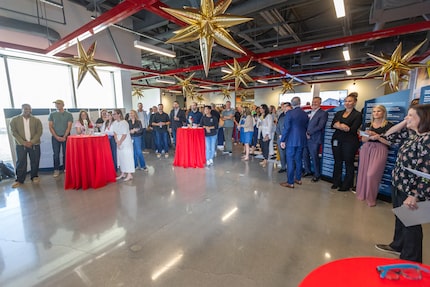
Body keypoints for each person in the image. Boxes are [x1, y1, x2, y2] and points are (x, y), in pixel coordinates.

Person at [375, 104, 430, 263]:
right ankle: (397, 245)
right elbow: (388, 135)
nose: (406, 118)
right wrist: (407, 121)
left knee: (412, 225)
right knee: (401, 218)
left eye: (411, 116)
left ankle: (411, 259)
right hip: (400, 184)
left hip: (414, 191)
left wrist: (415, 195)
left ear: (424, 119)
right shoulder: (413, 135)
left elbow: (426, 171)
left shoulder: (427, 139)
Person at [356, 105, 393, 206]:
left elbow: (391, 142)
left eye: (378, 111)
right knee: (363, 173)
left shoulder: (389, 125)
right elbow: (363, 139)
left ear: (383, 112)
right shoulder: (368, 125)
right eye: (374, 111)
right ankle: (362, 194)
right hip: (366, 148)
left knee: (371, 174)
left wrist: (378, 137)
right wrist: (369, 136)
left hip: (380, 149)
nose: (376, 113)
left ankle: (371, 199)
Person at [331, 92, 362, 191]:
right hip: (337, 140)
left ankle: (347, 184)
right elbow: (332, 125)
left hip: (349, 142)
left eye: (350, 101)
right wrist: (342, 126)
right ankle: (336, 182)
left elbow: (352, 129)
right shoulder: (339, 113)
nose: (347, 103)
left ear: (355, 102)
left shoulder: (357, 115)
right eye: (346, 101)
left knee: (348, 163)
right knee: (337, 162)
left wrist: (339, 125)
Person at [9, 104, 43, 188]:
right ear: (22, 109)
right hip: (21, 145)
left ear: (31, 110)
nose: (27, 110)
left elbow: (39, 132)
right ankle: (19, 180)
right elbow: (13, 132)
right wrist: (23, 142)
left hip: (34, 144)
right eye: (25, 109)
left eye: (29, 109)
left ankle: (34, 176)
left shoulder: (36, 120)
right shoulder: (14, 120)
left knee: (35, 161)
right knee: (21, 162)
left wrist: (31, 142)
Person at [279, 97, 309, 188]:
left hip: (291, 140)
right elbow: (306, 127)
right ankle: (298, 179)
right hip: (302, 140)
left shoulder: (289, 113)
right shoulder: (305, 114)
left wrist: (282, 140)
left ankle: (290, 182)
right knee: (298, 159)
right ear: (300, 103)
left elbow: (287, 128)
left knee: (290, 160)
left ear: (291, 104)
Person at [302, 97, 328, 182]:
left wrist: (309, 133)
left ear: (320, 103)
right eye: (313, 102)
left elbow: (320, 126)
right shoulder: (309, 112)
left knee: (314, 157)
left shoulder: (323, 113)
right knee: (305, 155)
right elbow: (305, 124)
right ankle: (307, 171)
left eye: (316, 102)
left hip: (314, 139)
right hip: (306, 138)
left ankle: (317, 174)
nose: (314, 103)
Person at [48, 99, 73, 178]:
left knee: (66, 153)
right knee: (56, 154)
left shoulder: (68, 114)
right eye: (56, 104)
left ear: (63, 105)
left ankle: (66, 168)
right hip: (55, 137)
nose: (57, 105)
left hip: (66, 136)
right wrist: (56, 136)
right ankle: (56, 169)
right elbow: (50, 127)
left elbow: (69, 127)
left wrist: (65, 136)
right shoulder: (52, 114)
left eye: (58, 104)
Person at [112, 109, 134, 181]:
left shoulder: (124, 123)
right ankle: (123, 173)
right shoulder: (114, 123)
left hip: (125, 141)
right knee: (120, 157)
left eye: (115, 114)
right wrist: (116, 140)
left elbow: (124, 134)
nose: (113, 115)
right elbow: (114, 132)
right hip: (118, 140)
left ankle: (129, 174)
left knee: (127, 157)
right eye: (113, 114)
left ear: (119, 114)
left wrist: (120, 141)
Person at [275, 102, 292, 173]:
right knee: (282, 154)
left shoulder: (292, 117)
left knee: (289, 154)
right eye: (283, 107)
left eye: (286, 107)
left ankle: (290, 167)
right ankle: (283, 167)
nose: (284, 108)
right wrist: (280, 135)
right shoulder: (281, 117)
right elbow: (277, 128)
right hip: (281, 138)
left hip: (289, 139)